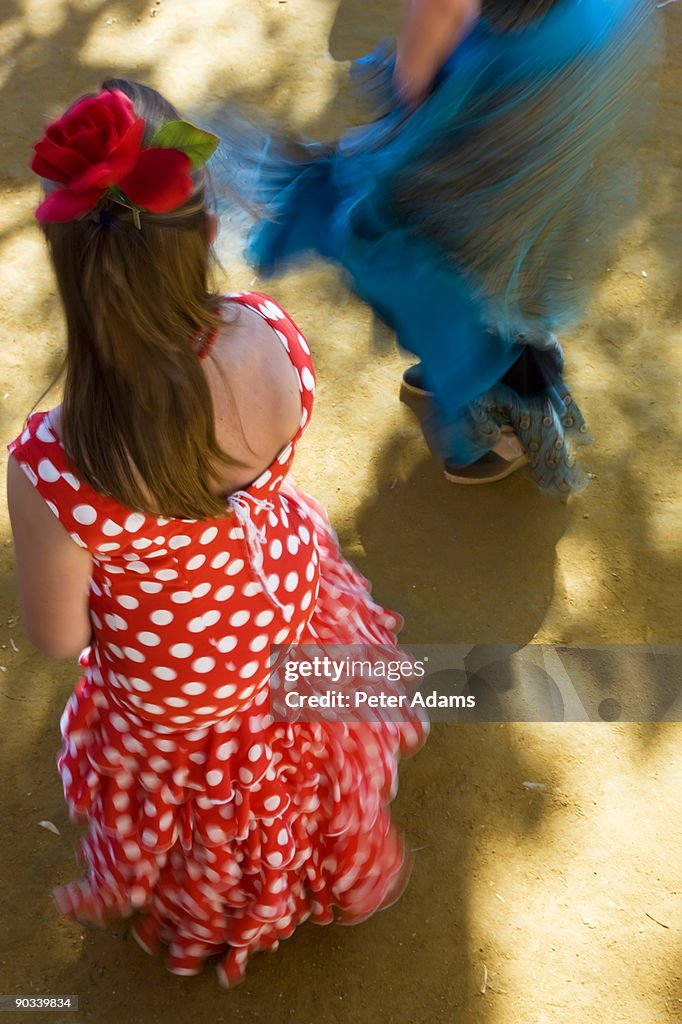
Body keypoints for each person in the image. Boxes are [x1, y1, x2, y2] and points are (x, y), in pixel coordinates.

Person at [7, 80, 426, 986]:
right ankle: (331, 867)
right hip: (290, 597)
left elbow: (59, 634)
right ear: (203, 231)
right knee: (293, 742)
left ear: (69, 267)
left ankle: (229, 904)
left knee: (214, 795)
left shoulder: (53, 460)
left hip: (180, 690)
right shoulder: (271, 334)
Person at [217, 0, 657, 492]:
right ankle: (499, 365)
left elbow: (442, 8)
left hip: (514, 73)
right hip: (590, 42)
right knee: (514, 239)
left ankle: (493, 422)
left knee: (413, 239)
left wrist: (413, 104)